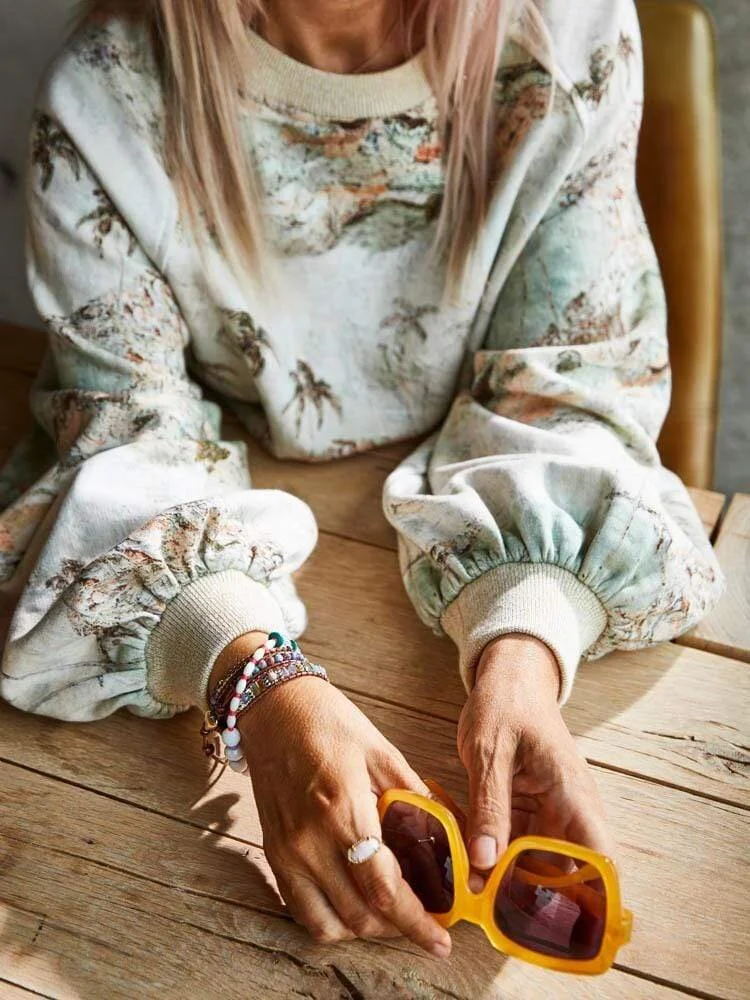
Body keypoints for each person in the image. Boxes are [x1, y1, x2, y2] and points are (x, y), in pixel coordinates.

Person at [0, 0, 723, 959]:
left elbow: (569, 383)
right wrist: (258, 684)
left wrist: (525, 645)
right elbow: (124, 432)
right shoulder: (106, 94)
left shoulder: (565, 30)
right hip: (241, 543)